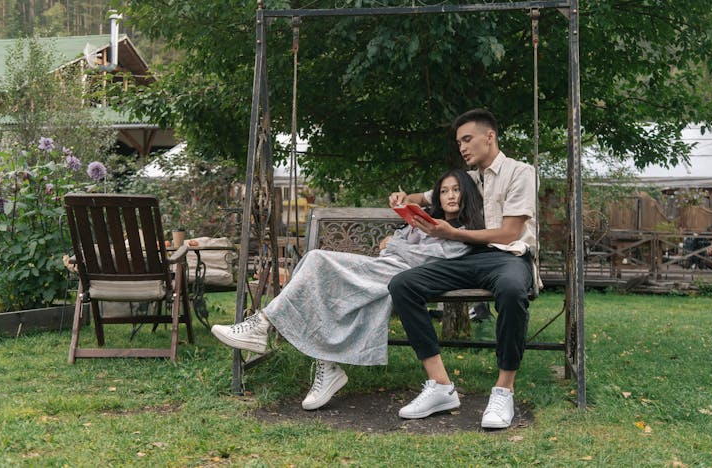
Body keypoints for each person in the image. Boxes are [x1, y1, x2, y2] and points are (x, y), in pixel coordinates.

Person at [210, 169, 485, 410]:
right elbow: (401, 234)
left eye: (457, 190)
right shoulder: (426, 220)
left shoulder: (463, 233)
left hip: (403, 276)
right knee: (317, 270)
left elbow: (425, 260)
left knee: (317, 261)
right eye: (444, 191)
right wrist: (399, 218)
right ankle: (317, 358)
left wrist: (394, 244)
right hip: (385, 269)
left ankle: (264, 327)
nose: (450, 196)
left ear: (468, 194)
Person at [387, 108, 537, 429]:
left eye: (467, 139)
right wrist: (403, 197)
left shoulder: (520, 172)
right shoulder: (467, 179)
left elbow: (510, 232)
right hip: (466, 257)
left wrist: (453, 233)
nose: (463, 147)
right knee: (403, 285)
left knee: (512, 290)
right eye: (459, 143)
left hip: (508, 257)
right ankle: (441, 386)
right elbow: (426, 196)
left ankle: (503, 390)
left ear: (490, 137)